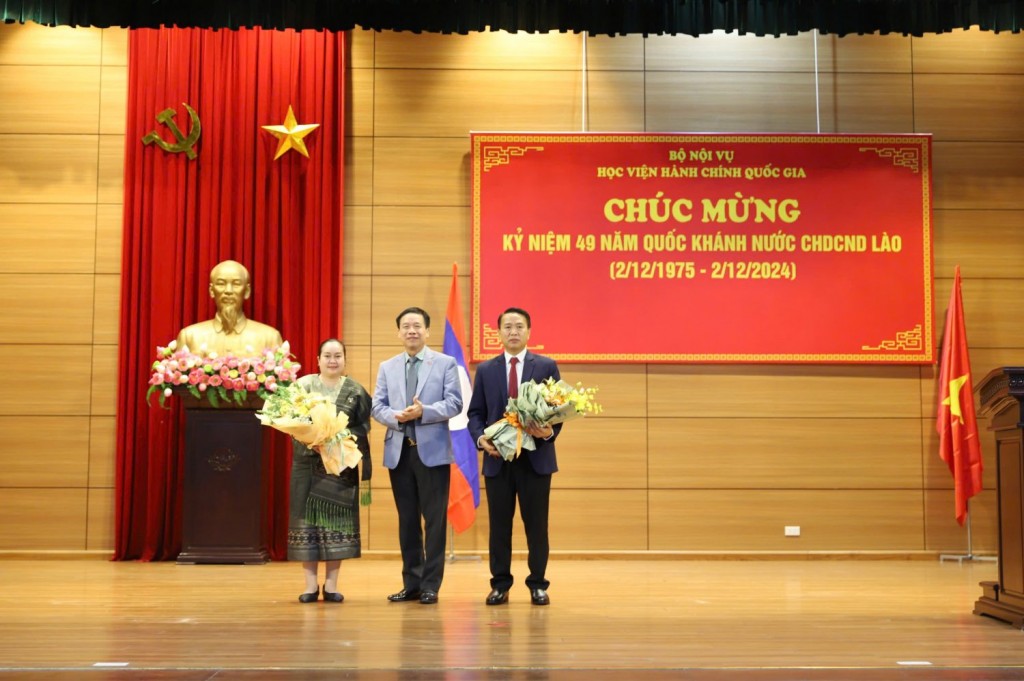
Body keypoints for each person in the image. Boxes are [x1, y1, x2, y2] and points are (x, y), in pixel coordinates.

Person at [467, 307, 560, 606]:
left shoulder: (546, 365)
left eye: (519, 326)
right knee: (499, 526)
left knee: (537, 526)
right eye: (507, 327)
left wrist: (547, 433)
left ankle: (538, 584)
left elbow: (558, 412)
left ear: (529, 332)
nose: (513, 331)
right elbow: (475, 414)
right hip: (498, 460)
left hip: (536, 461)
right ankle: (500, 584)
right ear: (498, 333)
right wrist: (481, 440)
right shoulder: (486, 370)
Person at [371, 307, 463, 605]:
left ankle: (430, 586)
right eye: (406, 326)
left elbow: (454, 403)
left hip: (433, 453)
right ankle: (411, 582)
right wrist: (397, 417)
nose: (412, 331)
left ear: (427, 331)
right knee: (407, 521)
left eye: (417, 326)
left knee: (434, 522)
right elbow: (377, 406)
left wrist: (425, 411)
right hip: (399, 453)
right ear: (399, 332)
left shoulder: (445, 363)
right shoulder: (388, 366)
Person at [289, 338, 372, 603]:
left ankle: (332, 585)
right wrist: (309, 439)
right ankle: (310, 586)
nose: (332, 360)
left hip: (340, 467)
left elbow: (363, 427)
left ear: (345, 360)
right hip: (306, 464)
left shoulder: (355, 391)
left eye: (337, 356)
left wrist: (338, 436)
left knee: (335, 523)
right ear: (318, 359)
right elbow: (290, 422)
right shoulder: (302, 387)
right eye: (327, 355)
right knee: (308, 523)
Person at [176, 259, 283, 356]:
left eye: (236, 284)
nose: (228, 291)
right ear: (212, 291)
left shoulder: (270, 338)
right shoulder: (190, 336)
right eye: (221, 284)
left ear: (246, 291)